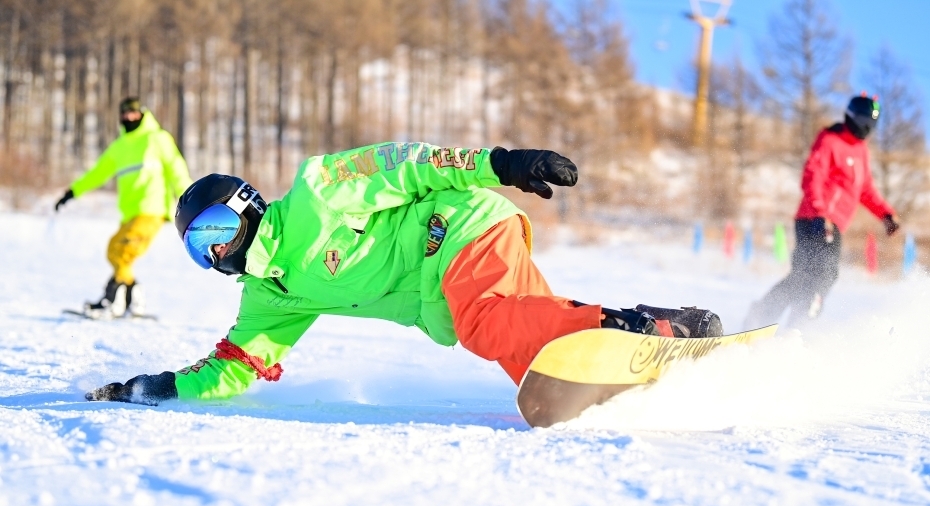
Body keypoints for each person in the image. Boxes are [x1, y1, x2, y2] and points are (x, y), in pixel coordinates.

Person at [84, 142, 723, 406]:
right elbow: (234, 368)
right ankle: (668, 346)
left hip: (457, 228)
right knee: (547, 374)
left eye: (216, 230)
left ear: (245, 206)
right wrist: (153, 387)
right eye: (199, 249)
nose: (216, 252)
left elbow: (412, 164)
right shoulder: (270, 297)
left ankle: (633, 325)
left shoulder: (317, 192)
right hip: (451, 286)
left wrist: (502, 164)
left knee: (486, 325)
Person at [744, 95, 901, 329]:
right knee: (824, 273)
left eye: (872, 123)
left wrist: (885, 214)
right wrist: (820, 213)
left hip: (831, 222)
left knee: (803, 276)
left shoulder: (861, 151)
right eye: (864, 121)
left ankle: (762, 314)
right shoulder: (830, 140)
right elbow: (813, 176)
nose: (867, 128)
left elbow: (865, 189)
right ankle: (798, 324)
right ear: (851, 117)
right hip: (815, 219)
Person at [55, 97, 193, 318]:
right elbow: (97, 174)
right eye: (125, 112)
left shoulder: (157, 138)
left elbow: (177, 170)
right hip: (130, 213)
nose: (129, 116)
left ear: (142, 113)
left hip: (152, 209)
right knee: (114, 250)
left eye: (133, 112)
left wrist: (191, 201)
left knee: (122, 250)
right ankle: (132, 296)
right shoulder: (119, 147)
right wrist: (72, 192)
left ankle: (116, 299)